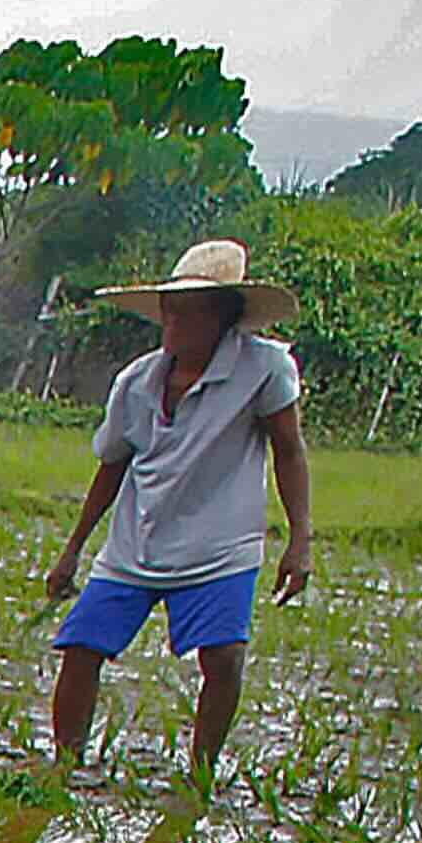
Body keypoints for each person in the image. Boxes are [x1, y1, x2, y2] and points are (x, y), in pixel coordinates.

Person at [44, 236, 315, 785]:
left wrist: (300, 539)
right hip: (136, 542)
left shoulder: (264, 370)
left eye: (189, 316)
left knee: (224, 658)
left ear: (224, 319)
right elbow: (112, 466)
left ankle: (200, 775)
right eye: (169, 314)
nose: (174, 328)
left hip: (220, 546)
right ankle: (64, 766)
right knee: (81, 647)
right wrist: (71, 552)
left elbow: (289, 449)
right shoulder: (137, 382)